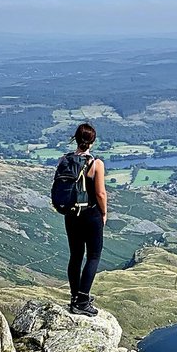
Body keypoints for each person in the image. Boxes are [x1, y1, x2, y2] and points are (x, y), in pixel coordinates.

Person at [63, 122, 108, 316]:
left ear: (75, 138)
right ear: (92, 141)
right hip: (90, 215)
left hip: (71, 215)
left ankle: (75, 297)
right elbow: (100, 193)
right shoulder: (95, 163)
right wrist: (104, 213)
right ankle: (82, 301)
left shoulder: (64, 160)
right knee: (94, 256)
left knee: (75, 256)